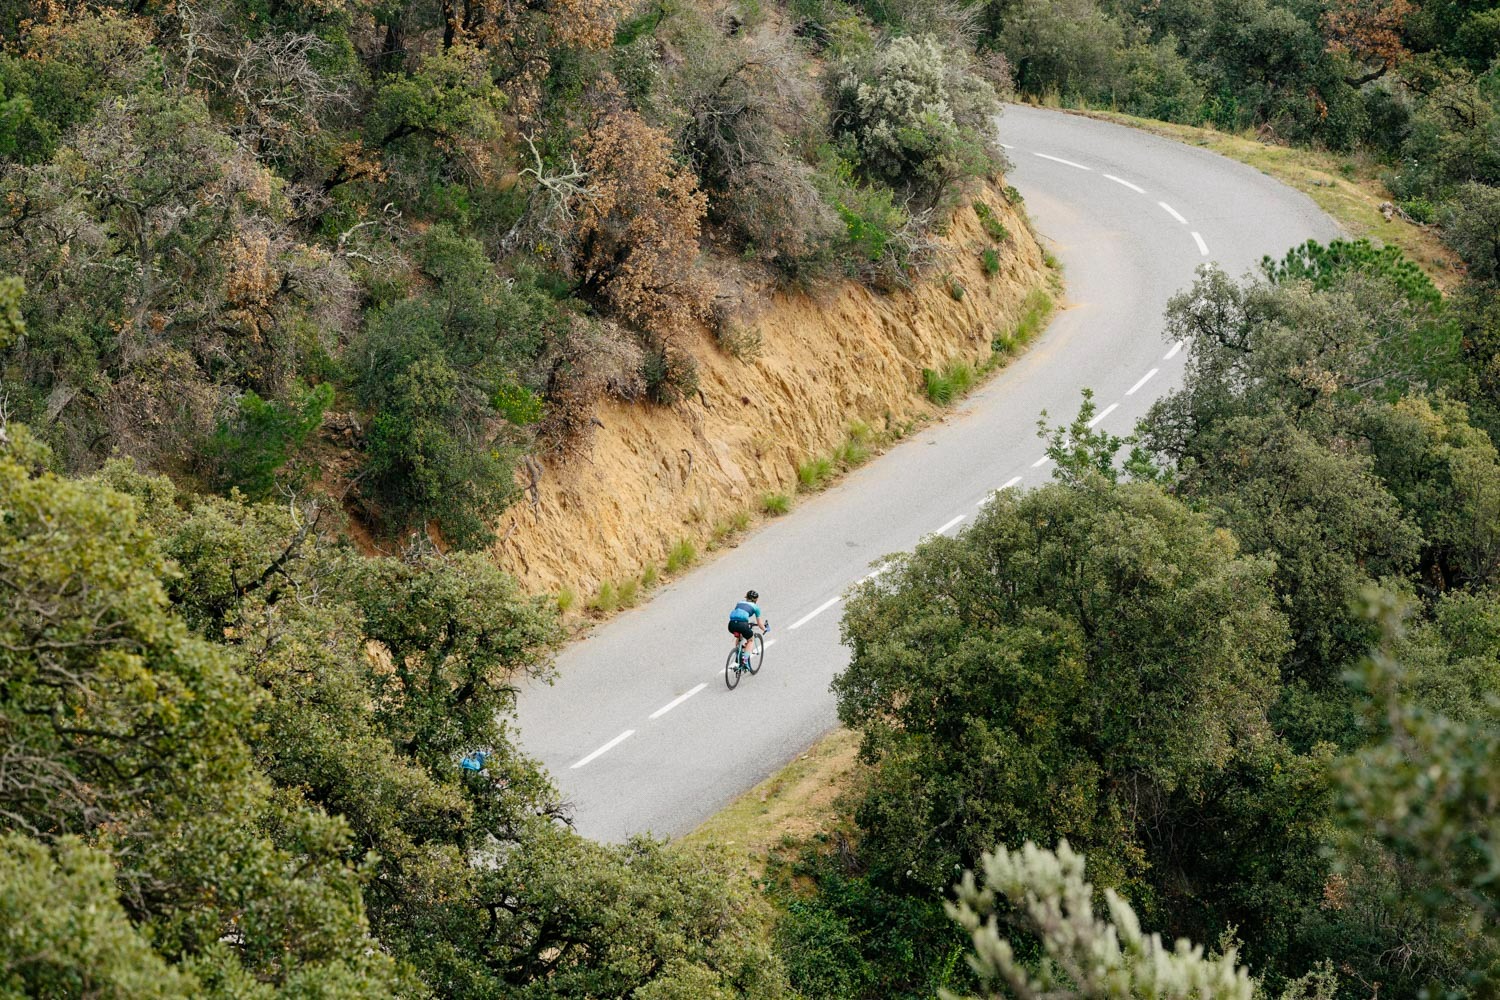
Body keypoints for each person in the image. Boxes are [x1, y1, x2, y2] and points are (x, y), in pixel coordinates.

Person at [728, 590, 767, 668]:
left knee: (739, 636)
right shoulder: (756, 607)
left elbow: (739, 614)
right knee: (750, 639)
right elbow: (759, 624)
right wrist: (765, 629)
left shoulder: (739, 602)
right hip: (742, 625)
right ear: (756, 600)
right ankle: (745, 660)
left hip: (731, 624)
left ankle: (738, 653)